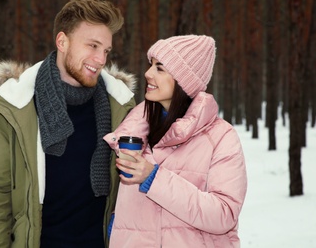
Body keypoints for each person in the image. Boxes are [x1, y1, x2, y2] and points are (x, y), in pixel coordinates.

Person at [0, 0, 137, 248]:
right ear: (62, 41)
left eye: (105, 50)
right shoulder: (16, 105)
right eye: (92, 46)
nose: (101, 59)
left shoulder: (122, 107)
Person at [104, 35, 248, 247]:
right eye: (151, 65)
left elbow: (224, 214)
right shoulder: (133, 131)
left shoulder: (221, 137)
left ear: (184, 82)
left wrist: (154, 178)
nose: (147, 73)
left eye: (160, 69)